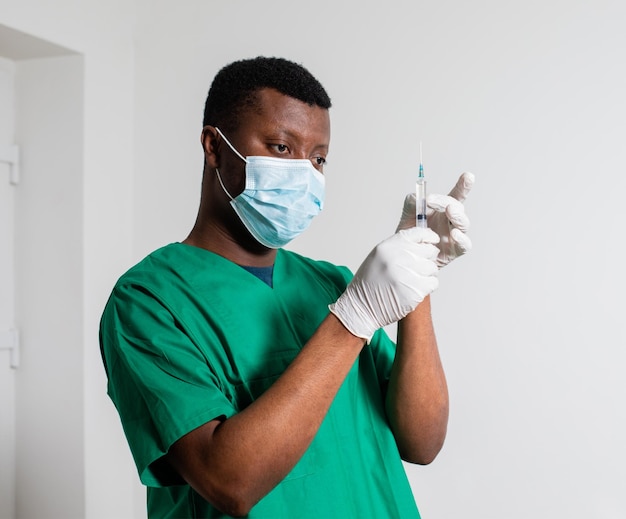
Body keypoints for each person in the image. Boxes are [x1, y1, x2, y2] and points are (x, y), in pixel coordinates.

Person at [100, 56, 474, 519]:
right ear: (213, 146)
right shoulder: (150, 302)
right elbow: (230, 482)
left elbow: (422, 442)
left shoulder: (331, 283)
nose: (305, 173)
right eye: (280, 147)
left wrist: (417, 282)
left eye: (318, 158)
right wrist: (352, 320)